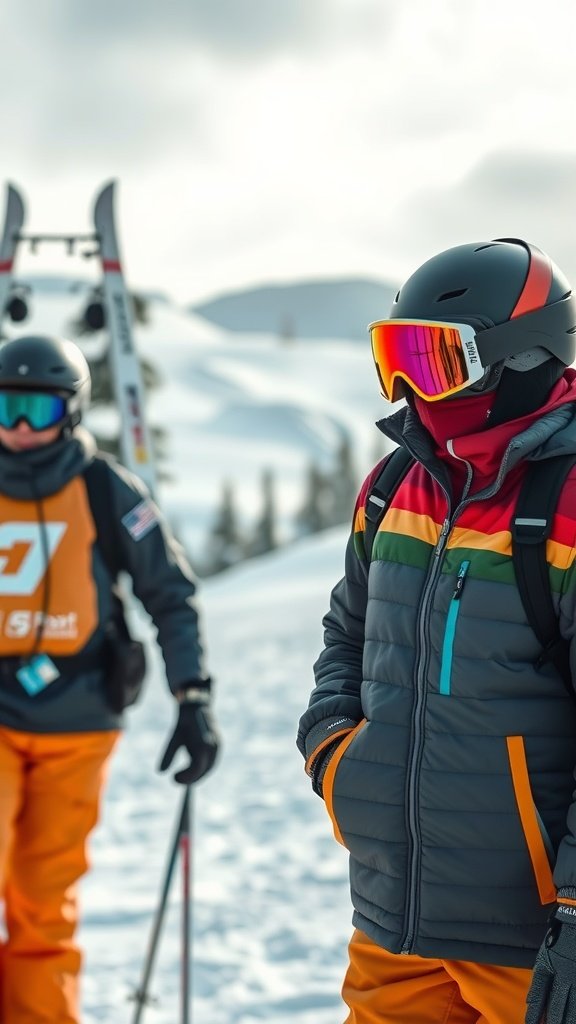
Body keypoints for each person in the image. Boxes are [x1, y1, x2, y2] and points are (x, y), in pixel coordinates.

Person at [297, 238, 576, 1024]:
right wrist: (333, 750)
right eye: (395, 359)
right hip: (396, 922)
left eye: (435, 361)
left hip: (529, 939)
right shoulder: (395, 487)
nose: (408, 388)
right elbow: (346, 633)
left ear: (519, 357)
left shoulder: (566, 501)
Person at [0, 334, 219, 1023]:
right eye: (7, 409)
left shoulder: (106, 490)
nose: (21, 428)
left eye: (38, 409)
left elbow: (171, 595)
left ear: (71, 412)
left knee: (43, 902)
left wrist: (193, 698)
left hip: (81, 723)